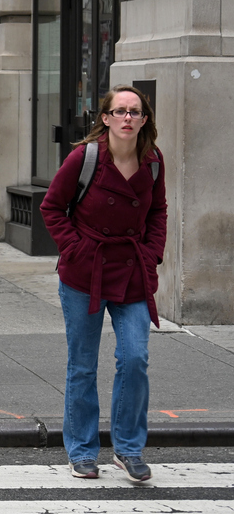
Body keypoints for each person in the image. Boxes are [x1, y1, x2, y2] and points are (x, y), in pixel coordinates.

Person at [40, 85, 166, 482]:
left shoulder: (153, 161)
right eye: (120, 111)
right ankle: (81, 450)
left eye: (135, 111)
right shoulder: (86, 157)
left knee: (135, 358)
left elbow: (158, 211)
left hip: (132, 273)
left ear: (144, 120)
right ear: (106, 118)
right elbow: (51, 207)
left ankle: (128, 449)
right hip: (85, 274)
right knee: (83, 365)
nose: (127, 117)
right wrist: (75, 249)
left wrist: (152, 254)